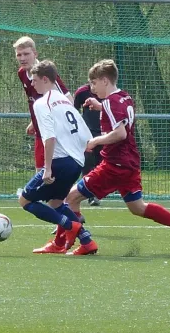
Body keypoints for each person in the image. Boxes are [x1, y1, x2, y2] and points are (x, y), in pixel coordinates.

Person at [66, 59, 170, 255]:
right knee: (138, 207)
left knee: (71, 198)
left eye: (94, 83)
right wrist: (100, 106)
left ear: (104, 80)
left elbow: (120, 133)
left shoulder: (111, 102)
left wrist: (96, 141)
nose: (92, 88)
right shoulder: (124, 97)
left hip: (115, 164)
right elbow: (118, 114)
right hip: (129, 162)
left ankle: (84, 243)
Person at [18, 60, 98, 256]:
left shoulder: (41, 103)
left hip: (59, 162)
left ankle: (72, 226)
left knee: (25, 201)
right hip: (76, 163)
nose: (33, 85)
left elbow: (49, 137)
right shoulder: (66, 103)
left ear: (45, 79)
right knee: (56, 203)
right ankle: (87, 241)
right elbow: (87, 139)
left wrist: (47, 168)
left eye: (35, 80)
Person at [13, 36, 73, 172]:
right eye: (19, 55)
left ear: (35, 54)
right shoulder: (22, 73)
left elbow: (69, 101)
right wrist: (33, 121)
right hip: (40, 131)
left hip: (54, 134)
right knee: (40, 172)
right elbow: (33, 99)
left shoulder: (46, 73)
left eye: (26, 54)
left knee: (53, 173)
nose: (22, 58)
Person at [74, 82, 103, 206]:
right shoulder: (81, 92)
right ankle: (91, 195)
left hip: (105, 133)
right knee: (87, 163)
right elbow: (74, 111)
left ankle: (101, 191)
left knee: (101, 164)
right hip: (87, 133)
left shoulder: (107, 92)